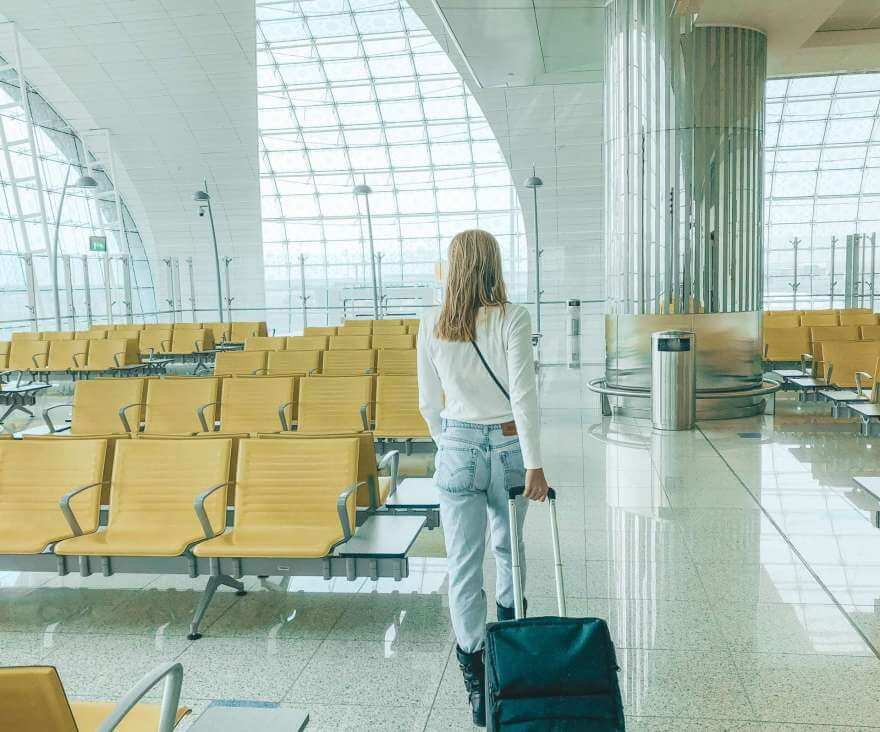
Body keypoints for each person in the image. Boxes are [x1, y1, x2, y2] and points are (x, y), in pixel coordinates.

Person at [417, 229, 549, 727]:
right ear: (494, 264)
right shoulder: (513, 317)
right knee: (508, 550)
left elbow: (429, 404)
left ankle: (476, 681)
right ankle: (511, 652)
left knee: (463, 564)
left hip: (456, 445)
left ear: (453, 266)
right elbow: (524, 396)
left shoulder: (430, 322)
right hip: (510, 448)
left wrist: (449, 442)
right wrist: (534, 463)